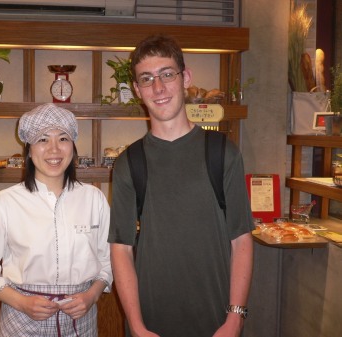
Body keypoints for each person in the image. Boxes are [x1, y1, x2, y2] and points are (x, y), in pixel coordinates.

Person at [108, 34, 254, 337]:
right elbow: (120, 250)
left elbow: (241, 240)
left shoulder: (222, 152)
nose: (158, 88)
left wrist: (235, 319)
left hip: (217, 324)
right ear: (137, 90)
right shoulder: (129, 163)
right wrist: (136, 326)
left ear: (185, 77)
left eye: (167, 74)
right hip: (151, 325)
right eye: (146, 79)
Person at [0, 103, 112, 337]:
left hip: (80, 318)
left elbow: (107, 260)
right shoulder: (5, 202)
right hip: (22, 318)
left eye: (63, 139)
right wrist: (22, 302)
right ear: (29, 149)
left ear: (73, 146)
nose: (54, 149)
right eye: (43, 139)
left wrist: (92, 295)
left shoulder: (93, 198)